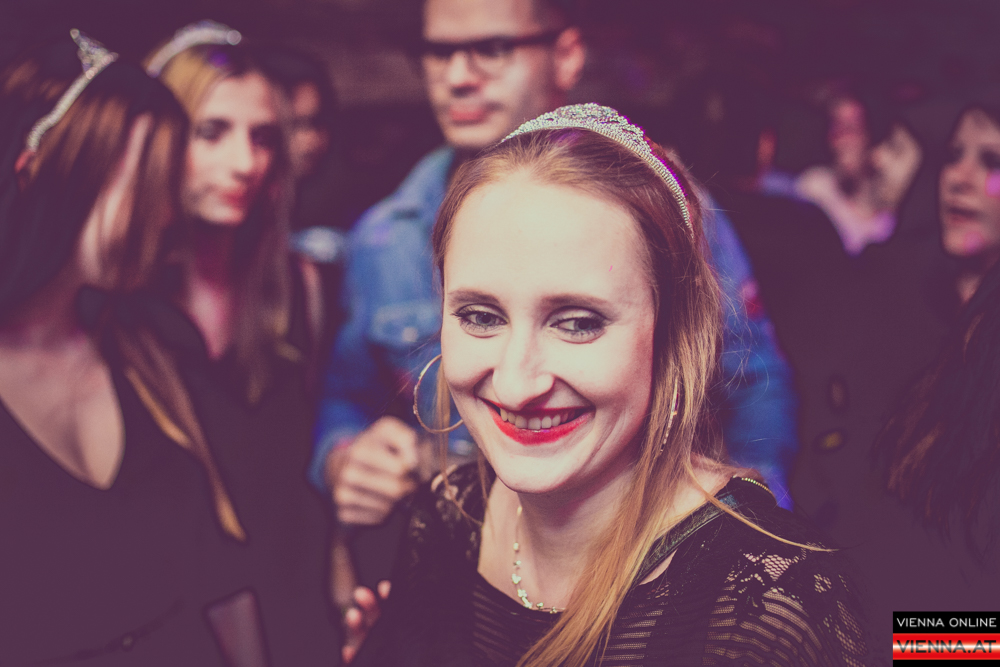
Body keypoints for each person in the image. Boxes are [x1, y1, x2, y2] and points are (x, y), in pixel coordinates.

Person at [349, 104, 870, 667]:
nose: (517, 384)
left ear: (672, 332)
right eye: (480, 316)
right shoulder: (447, 516)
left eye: (577, 323)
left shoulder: (771, 600)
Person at [314, 0, 798, 545]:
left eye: (492, 49)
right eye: (438, 52)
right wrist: (345, 456)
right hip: (458, 554)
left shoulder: (658, 205)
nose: (458, 77)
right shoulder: (384, 238)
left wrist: (748, 522)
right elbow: (346, 392)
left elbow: (752, 383)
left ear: (566, 56)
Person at [0, 31, 261, 665]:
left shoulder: (153, 344)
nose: (168, 212)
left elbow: (222, 579)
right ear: (41, 170)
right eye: (148, 180)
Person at [145, 21, 339, 665]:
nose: (244, 163)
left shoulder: (298, 288)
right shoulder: (120, 306)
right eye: (212, 132)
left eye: (262, 138)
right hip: (179, 621)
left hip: (296, 602)